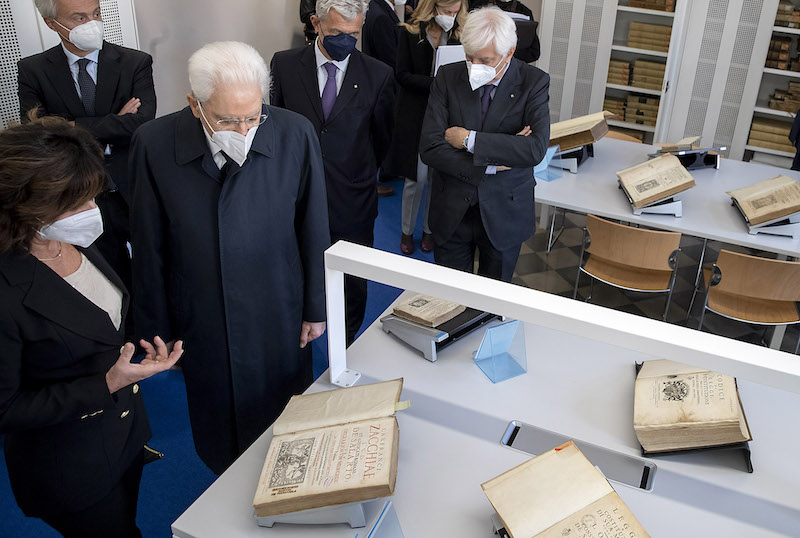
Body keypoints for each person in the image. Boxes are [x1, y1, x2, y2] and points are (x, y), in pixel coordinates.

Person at [130, 41, 330, 474]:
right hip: (202, 310)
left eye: (252, 117)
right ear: (194, 104)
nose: (242, 131)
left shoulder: (294, 132)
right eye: (226, 119)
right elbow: (149, 245)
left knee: (285, 421)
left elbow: (313, 227)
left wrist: (316, 307)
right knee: (220, 425)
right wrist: (155, 329)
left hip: (278, 305)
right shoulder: (154, 143)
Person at [0, 115, 182, 538]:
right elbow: (5, 408)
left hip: (124, 435)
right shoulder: (7, 291)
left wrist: (135, 352)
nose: (91, 213)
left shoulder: (76, 239)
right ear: (26, 203)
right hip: (70, 466)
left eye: (92, 198)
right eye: (75, 203)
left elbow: (101, 320)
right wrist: (107, 381)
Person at [271, 0, 395, 346]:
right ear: (316, 23)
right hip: (294, 198)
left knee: (352, 286)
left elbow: (382, 138)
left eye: (353, 34)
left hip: (352, 199)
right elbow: (276, 128)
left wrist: (359, 173)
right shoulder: (284, 64)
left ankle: (346, 348)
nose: (345, 40)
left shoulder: (378, 74)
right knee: (296, 277)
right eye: (337, 32)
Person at [18, 0, 156, 298]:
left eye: (95, 14)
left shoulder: (136, 62)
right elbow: (40, 134)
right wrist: (115, 120)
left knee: (153, 263)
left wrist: (71, 126)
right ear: (51, 24)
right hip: (78, 190)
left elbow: (141, 123)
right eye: (79, 17)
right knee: (106, 270)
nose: (91, 23)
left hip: (131, 181)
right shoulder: (33, 70)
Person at [420, 6, 549, 281]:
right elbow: (430, 146)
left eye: (486, 60)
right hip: (452, 211)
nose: (475, 66)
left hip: (505, 213)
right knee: (449, 302)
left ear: (509, 53)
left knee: (493, 306)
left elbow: (534, 149)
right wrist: (494, 160)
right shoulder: (447, 76)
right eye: (470, 57)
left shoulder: (534, 83)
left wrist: (468, 139)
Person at [392, 0, 467, 255]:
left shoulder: (461, 35)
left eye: (456, 11)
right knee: (416, 178)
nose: (451, 16)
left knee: (438, 177)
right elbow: (401, 75)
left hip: (448, 118)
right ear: (432, 6)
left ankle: (429, 230)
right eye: (447, 11)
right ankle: (406, 231)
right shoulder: (409, 32)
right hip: (416, 114)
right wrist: (436, 84)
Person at [469, 0, 540, 62]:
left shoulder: (524, 11)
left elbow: (534, 52)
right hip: (482, 63)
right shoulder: (478, 5)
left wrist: (506, 54)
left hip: (512, 66)